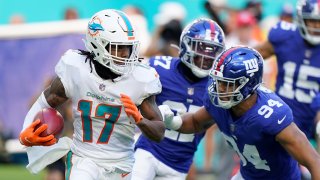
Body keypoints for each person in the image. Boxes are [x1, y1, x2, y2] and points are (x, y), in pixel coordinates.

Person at [19, 9, 165, 180]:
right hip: (84, 158)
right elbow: (46, 100)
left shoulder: (140, 79)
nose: (125, 54)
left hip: (122, 165)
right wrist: (25, 132)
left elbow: (159, 132)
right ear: (98, 44)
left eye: (128, 47)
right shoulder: (76, 69)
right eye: (118, 48)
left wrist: (141, 121)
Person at [161, 46, 320, 179]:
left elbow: (313, 160)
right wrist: (173, 121)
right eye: (218, 81)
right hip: (247, 175)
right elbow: (196, 122)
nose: (219, 88)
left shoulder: (270, 116)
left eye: (227, 84)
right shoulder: (220, 102)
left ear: (248, 84)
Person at [132, 18, 225, 179]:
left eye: (211, 54)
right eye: (200, 51)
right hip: (149, 150)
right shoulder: (160, 68)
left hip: (180, 163)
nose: (205, 58)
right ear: (186, 46)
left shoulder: (218, 86)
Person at [255, 0, 320, 146]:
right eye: (312, 21)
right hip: (284, 114)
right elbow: (252, 56)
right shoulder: (285, 37)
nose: (316, 26)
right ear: (301, 19)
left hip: (314, 114)